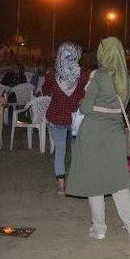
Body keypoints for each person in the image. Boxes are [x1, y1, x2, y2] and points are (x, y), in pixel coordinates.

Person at [67, 37, 130, 239]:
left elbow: (85, 107)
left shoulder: (98, 75)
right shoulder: (127, 79)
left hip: (93, 132)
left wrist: (85, 98)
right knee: (118, 181)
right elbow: (122, 107)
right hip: (115, 133)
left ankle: (99, 229)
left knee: (94, 180)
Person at [42, 42, 90, 194]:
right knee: (76, 151)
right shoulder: (82, 73)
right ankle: (76, 183)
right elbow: (86, 93)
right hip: (76, 118)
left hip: (56, 117)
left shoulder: (52, 73)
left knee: (60, 151)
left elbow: (45, 91)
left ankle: (61, 186)